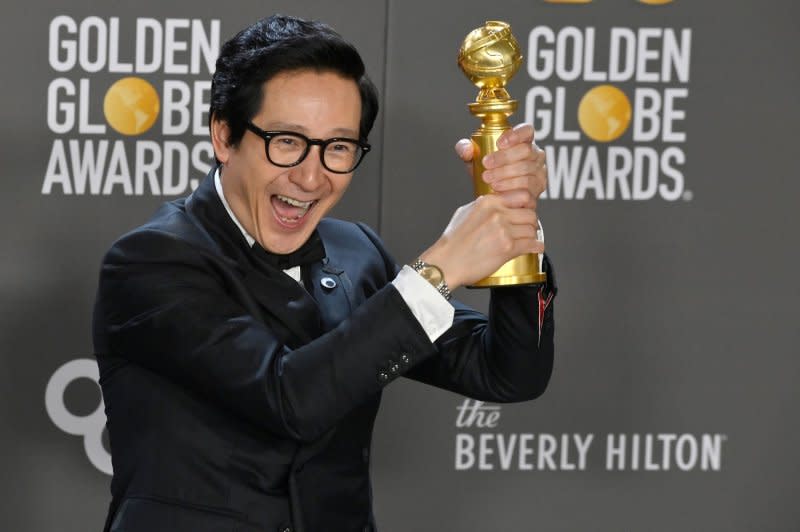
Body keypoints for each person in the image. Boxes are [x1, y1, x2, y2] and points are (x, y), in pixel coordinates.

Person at [93, 14, 556, 532]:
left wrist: (516, 220)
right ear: (224, 136)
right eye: (287, 141)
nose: (311, 177)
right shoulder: (151, 261)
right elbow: (290, 398)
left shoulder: (355, 251)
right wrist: (440, 269)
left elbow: (506, 372)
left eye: (338, 148)